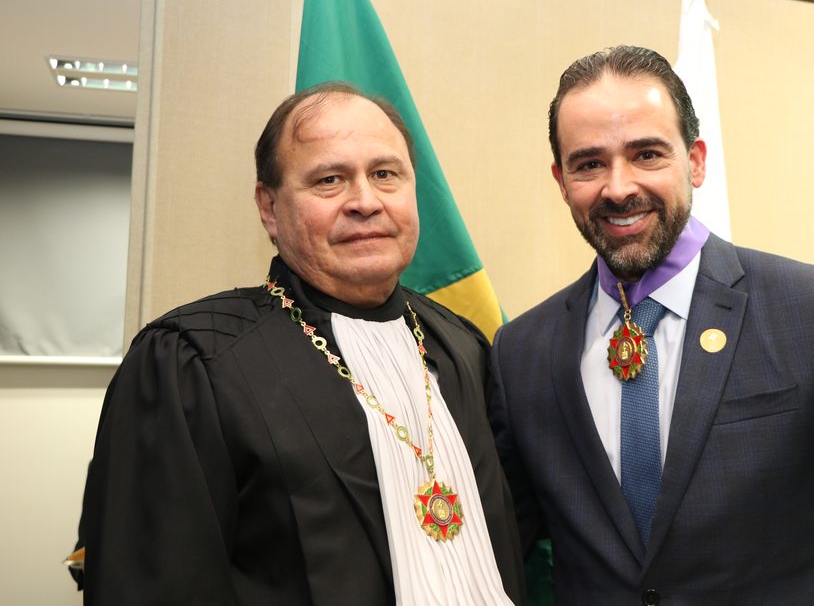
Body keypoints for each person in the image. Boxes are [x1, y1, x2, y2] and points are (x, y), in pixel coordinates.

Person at [488, 45, 814, 604]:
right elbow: (494, 558)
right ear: (561, 181)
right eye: (589, 164)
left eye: (647, 154)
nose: (618, 187)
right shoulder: (520, 354)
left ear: (696, 161)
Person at [74, 82, 525, 605]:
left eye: (385, 174)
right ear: (269, 208)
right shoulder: (191, 363)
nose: (366, 202)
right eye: (329, 180)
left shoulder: (463, 345)